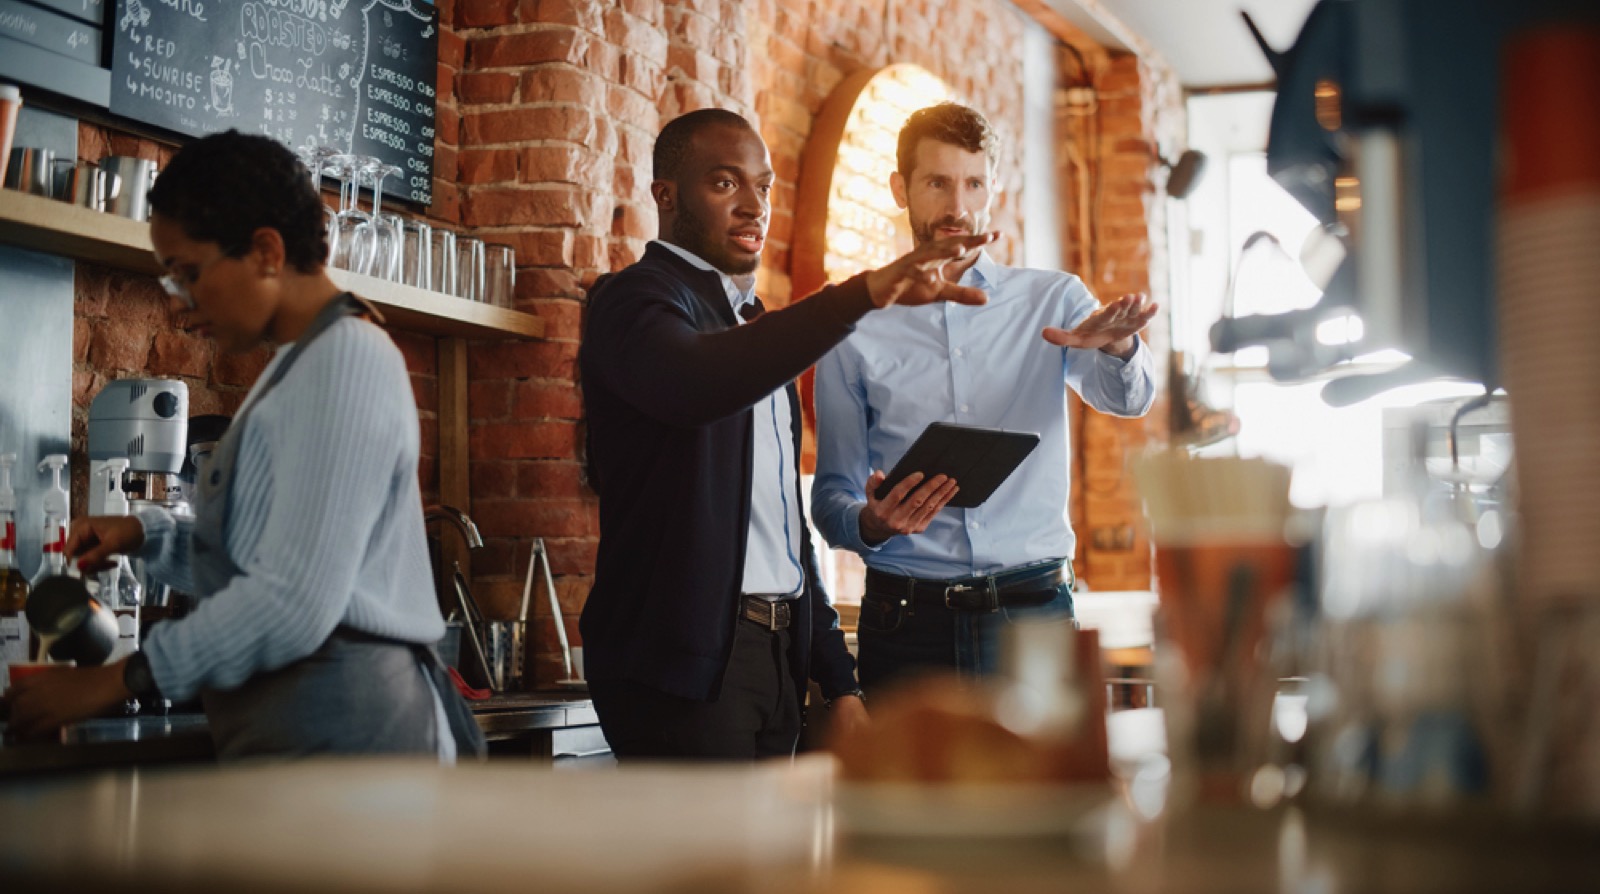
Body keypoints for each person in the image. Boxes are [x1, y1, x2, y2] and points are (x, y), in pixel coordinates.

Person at [2, 130, 484, 760]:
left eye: (188, 274)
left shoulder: (348, 361)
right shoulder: (294, 367)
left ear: (264, 251)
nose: (180, 306)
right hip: (299, 735)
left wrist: (117, 680)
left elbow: (291, 601)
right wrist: (147, 535)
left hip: (350, 738)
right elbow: (262, 551)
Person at [579, 108, 996, 760]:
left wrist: (838, 677)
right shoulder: (631, 301)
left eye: (763, 187)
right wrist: (860, 295)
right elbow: (695, 383)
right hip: (682, 674)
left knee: (776, 863)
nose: (753, 206)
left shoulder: (751, 325)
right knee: (716, 864)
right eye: (724, 184)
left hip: (775, 663)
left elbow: (782, 529)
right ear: (666, 195)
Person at [811, 103, 1159, 691]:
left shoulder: (1053, 299)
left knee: (1045, 787)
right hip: (906, 624)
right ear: (901, 189)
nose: (958, 206)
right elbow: (831, 498)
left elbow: (1130, 401)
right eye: (938, 183)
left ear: (992, 187)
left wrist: (1120, 347)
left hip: (1033, 616)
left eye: (974, 183)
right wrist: (870, 522)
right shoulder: (856, 320)